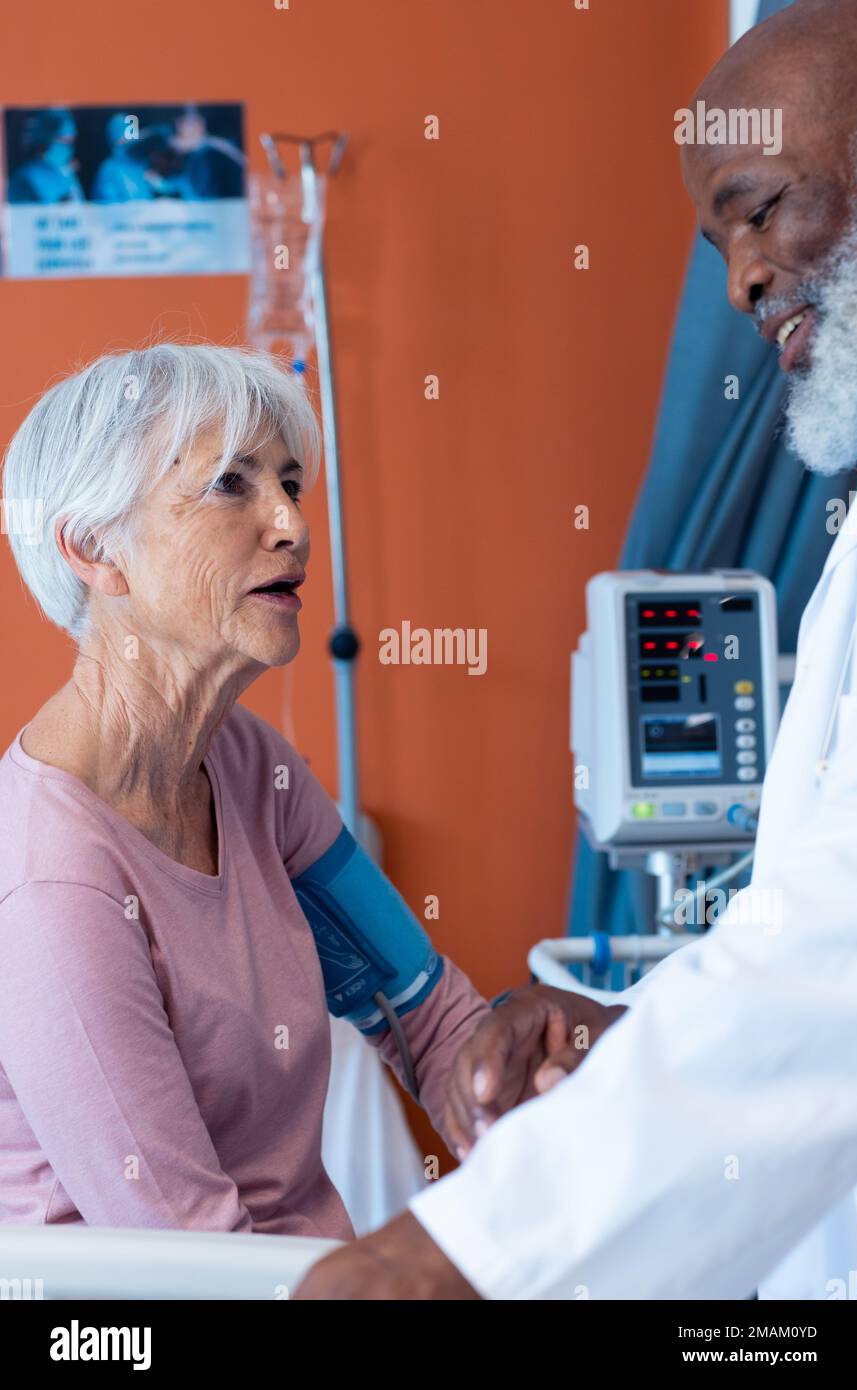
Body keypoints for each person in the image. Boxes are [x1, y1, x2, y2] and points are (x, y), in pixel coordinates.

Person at [294, 0, 857, 1300]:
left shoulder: (272, 801)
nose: (739, 282)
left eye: (759, 205)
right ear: (82, 548)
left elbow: (834, 954)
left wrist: (452, 1251)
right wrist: (628, 1037)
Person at [0, 344, 493, 1236]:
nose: (292, 525)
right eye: (231, 484)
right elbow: (185, 1255)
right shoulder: (49, 883)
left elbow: (422, 1010)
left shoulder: (249, 765)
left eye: (291, 484)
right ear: (93, 546)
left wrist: (553, 1133)